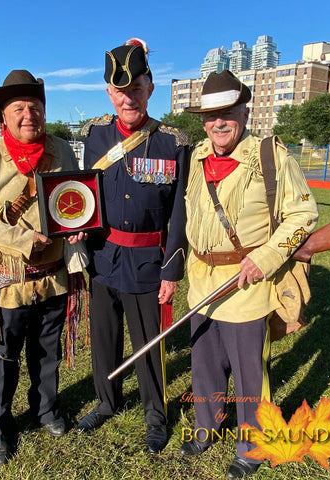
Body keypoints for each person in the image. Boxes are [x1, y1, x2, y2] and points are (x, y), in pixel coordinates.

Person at [181, 70, 318, 478]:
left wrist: (266, 257)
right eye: (210, 116)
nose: (219, 122)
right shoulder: (197, 156)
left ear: (244, 110)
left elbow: (304, 213)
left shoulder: (270, 156)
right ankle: (207, 428)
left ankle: (253, 447)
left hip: (248, 284)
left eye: (227, 112)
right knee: (204, 368)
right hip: (202, 283)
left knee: (249, 374)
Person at [0, 69, 83, 466]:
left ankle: (45, 410)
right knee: (5, 356)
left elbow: (76, 201)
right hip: (9, 281)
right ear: (3, 117)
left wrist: (77, 231)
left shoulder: (63, 150)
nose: (29, 115)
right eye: (20, 108)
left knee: (47, 352)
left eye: (36, 107)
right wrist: (22, 241)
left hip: (55, 277)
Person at [76, 38, 189, 454]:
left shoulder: (172, 143)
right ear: (109, 92)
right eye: (121, 92)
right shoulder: (95, 135)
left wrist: (171, 270)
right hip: (103, 256)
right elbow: (82, 194)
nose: (129, 99)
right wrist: (76, 231)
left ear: (150, 87)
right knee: (104, 339)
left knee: (148, 345)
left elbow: (180, 212)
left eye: (137, 88)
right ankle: (107, 402)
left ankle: (155, 416)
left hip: (147, 261)